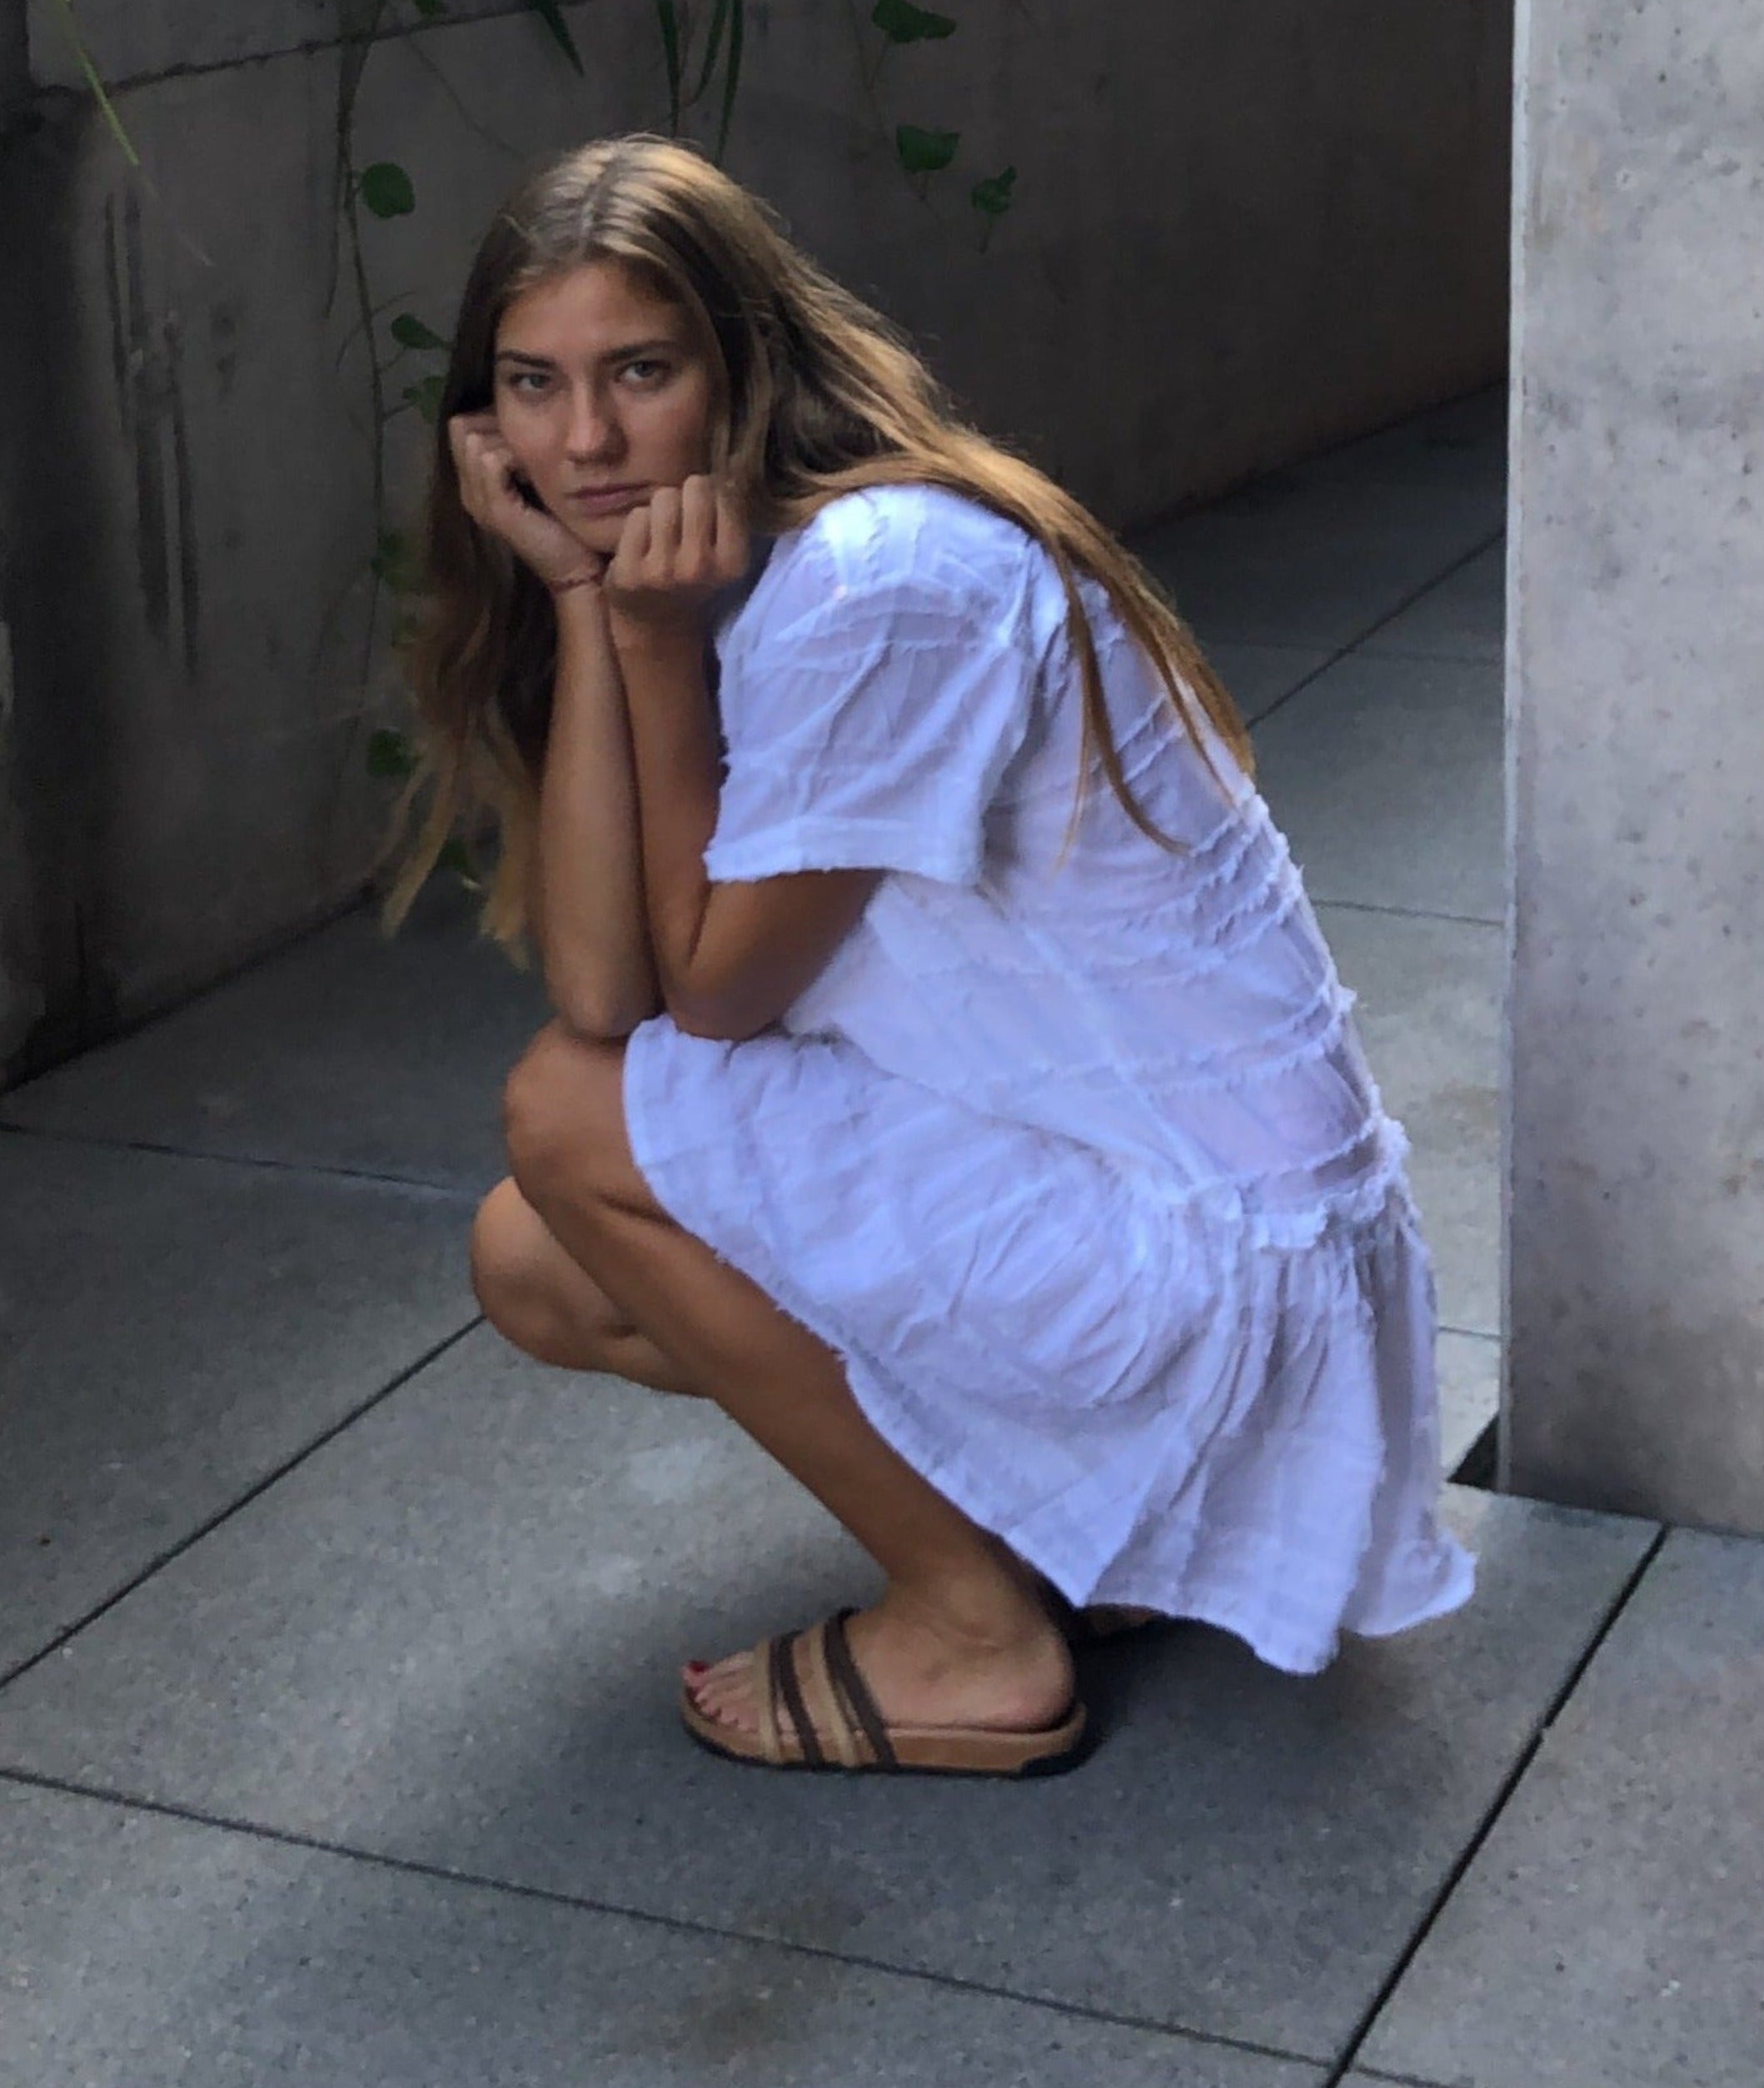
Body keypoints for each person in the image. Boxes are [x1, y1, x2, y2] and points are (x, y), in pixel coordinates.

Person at [385, 132, 1475, 1781]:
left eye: (639, 370)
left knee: (568, 1117)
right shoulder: (704, 567)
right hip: (1137, 1216)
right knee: (535, 1257)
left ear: (739, 368)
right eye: (531, 384)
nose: (585, 437)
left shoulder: (876, 579)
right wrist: (590, 608)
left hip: (1214, 1262)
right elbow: (607, 983)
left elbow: (706, 997)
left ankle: (976, 1624)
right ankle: (1077, 1533)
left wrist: (654, 651)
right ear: (481, 423)